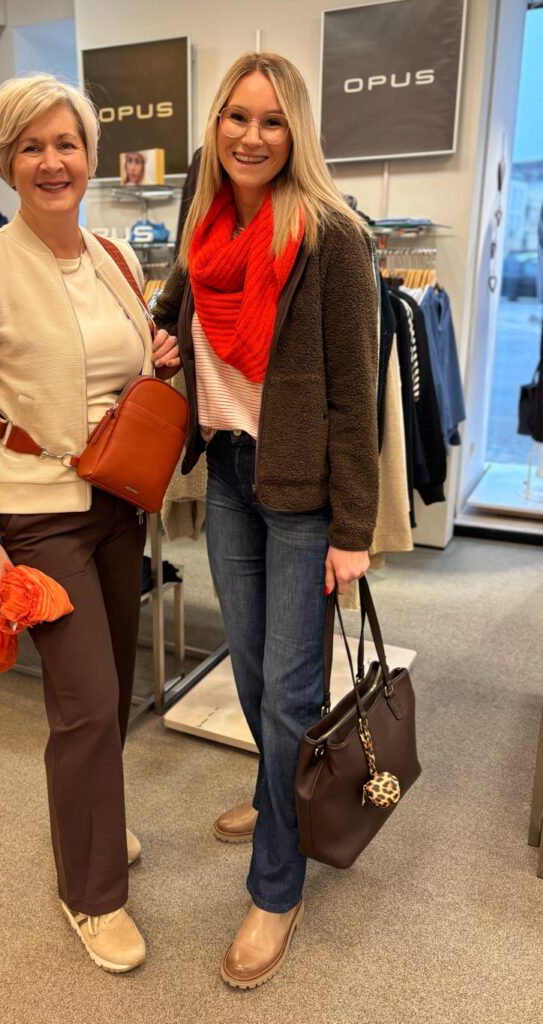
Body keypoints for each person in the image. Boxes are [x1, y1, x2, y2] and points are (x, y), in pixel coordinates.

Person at [0, 73, 180, 975]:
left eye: (65, 144)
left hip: (115, 501)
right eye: (31, 146)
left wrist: (155, 355)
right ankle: (90, 891)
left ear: (89, 155)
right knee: (84, 705)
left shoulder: (114, 256)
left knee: (110, 690)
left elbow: (118, 365)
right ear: (7, 159)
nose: (51, 161)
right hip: (35, 517)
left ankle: (93, 823)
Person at [152, 51, 379, 989]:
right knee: (248, 671)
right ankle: (275, 784)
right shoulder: (202, 212)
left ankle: (276, 887)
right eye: (237, 118)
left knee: (288, 695)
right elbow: (180, 295)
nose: (252, 136)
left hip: (301, 493)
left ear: (297, 133)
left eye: (272, 120)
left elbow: (354, 397)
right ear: (215, 125)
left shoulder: (332, 236)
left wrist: (353, 531)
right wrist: (163, 327)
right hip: (229, 475)